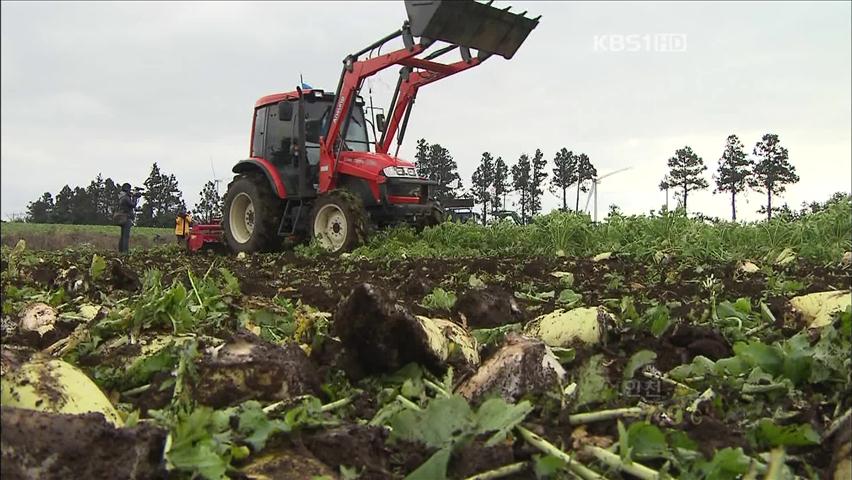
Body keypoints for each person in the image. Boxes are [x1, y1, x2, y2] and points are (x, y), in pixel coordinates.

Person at [116, 183, 139, 253]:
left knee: (123, 236)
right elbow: (133, 205)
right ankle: (125, 252)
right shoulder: (125, 198)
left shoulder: (122, 197)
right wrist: (135, 197)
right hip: (126, 218)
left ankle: (121, 251)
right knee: (126, 236)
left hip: (122, 218)